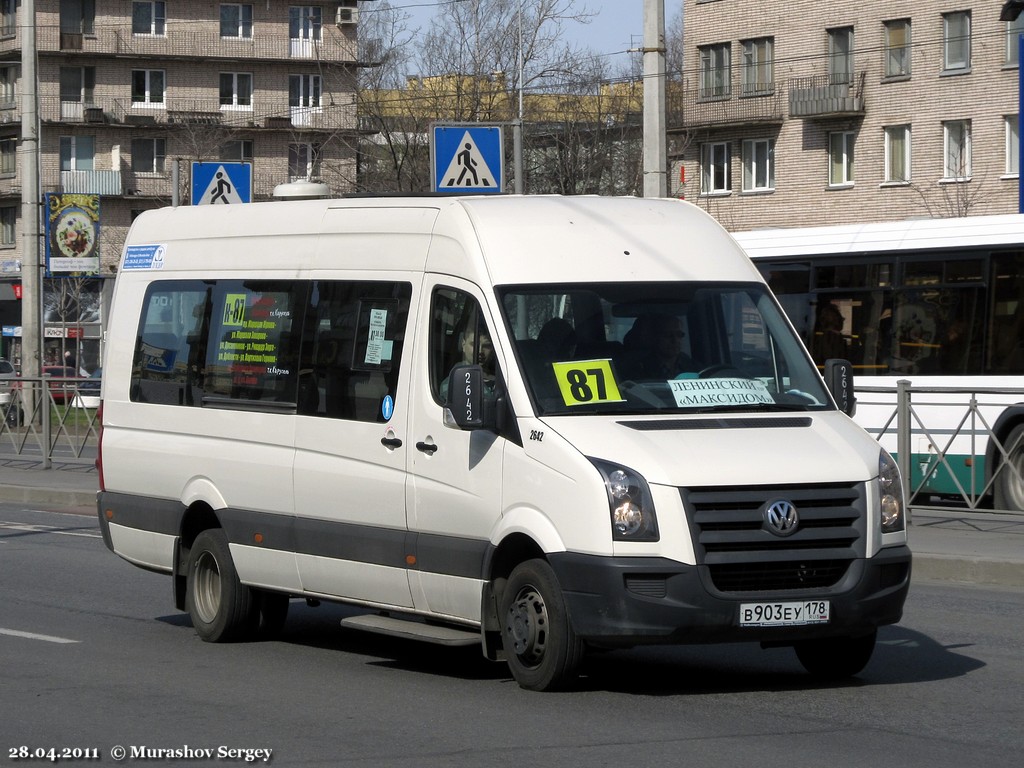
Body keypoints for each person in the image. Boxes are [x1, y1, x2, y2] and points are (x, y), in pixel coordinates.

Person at [626, 313, 696, 379]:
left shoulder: (691, 366)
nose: (675, 340)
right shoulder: (640, 369)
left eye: (679, 335)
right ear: (655, 338)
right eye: (668, 335)